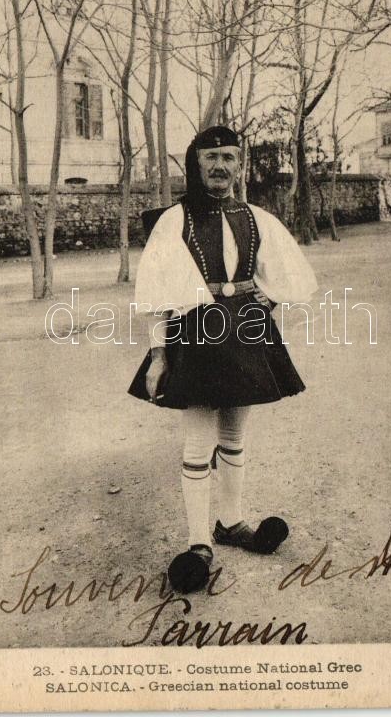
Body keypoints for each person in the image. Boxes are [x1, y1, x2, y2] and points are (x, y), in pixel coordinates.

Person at [128, 125, 317, 593]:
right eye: (211, 158)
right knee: (198, 442)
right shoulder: (176, 221)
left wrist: (259, 309)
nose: (220, 167)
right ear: (196, 165)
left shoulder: (257, 218)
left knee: (234, 434)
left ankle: (230, 524)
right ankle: (198, 544)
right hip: (194, 333)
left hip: (246, 333)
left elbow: (287, 276)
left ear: (239, 164)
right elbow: (156, 294)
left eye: (230, 158)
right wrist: (158, 356)